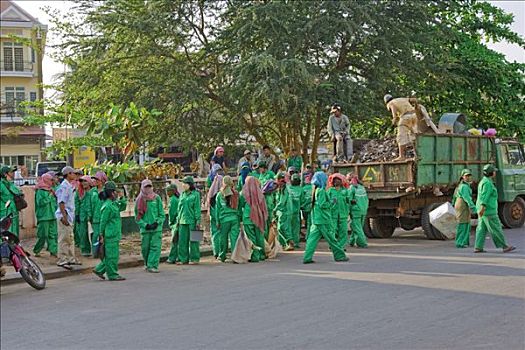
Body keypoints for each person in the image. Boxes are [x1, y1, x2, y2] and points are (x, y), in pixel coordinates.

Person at [303, 172, 349, 264]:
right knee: (332, 239)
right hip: (324, 219)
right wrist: (332, 202)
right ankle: (339, 256)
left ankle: (307, 257)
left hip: (317, 219)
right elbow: (323, 204)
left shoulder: (315, 190)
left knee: (312, 240)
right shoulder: (321, 191)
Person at [474, 164, 516, 253]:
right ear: (491, 173)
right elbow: (485, 197)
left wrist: (481, 209)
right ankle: (504, 246)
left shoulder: (483, 181)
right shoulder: (488, 183)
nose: (495, 173)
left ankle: (478, 246)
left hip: (482, 210)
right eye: (494, 171)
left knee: (481, 228)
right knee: (496, 228)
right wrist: (483, 207)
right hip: (488, 210)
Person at [92, 181, 127, 281]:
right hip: (110, 234)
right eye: (115, 191)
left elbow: (122, 207)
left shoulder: (113, 203)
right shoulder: (107, 206)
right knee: (112, 256)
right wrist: (100, 234)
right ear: (111, 193)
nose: (117, 193)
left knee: (111, 255)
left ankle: (99, 269)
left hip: (115, 233)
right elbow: (103, 222)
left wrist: (122, 198)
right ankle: (112, 274)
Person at [135, 179, 165, 272]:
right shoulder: (139, 200)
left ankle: (152, 265)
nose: (148, 189)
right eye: (146, 187)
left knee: (155, 248)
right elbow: (137, 217)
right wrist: (145, 225)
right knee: (145, 248)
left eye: (149, 186)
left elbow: (161, 214)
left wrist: (157, 222)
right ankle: (147, 263)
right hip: (145, 229)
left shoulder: (157, 198)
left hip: (156, 229)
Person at [384, 94, 425, 161]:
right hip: (414, 116)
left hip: (406, 117)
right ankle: (417, 156)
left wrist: (394, 121)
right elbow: (414, 100)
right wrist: (416, 107)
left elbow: (394, 111)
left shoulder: (390, 103)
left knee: (401, 136)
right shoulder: (401, 98)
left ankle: (402, 156)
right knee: (414, 136)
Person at [55, 166, 81, 268]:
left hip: (69, 216)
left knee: (70, 238)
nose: (75, 175)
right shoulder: (64, 186)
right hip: (64, 216)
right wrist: (64, 216)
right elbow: (61, 202)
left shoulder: (69, 186)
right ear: (69, 174)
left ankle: (70, 258)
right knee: (63, 239)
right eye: (73, 173)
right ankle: (62, 259)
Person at [239, 176, 268, 262]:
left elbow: (240, 206)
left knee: (251, 238)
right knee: (260, 237)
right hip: (258, 218)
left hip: (248, 218)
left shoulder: (243, 193)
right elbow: (264, 207)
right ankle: (262, 254)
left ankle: (255, 256)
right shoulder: (260, 194)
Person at [177, 176, 202, 264]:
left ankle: (195, 259)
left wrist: (198, 221)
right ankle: (183, 259)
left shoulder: (196, 194)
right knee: (182, 241)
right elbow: (179, 208)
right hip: (182, 221)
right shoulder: (182, 194)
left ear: (190, 185)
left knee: (194, 241)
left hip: (193, 221)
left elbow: (197, 209)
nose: (183, 185)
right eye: (183, 183)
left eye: (185, 183)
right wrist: (178, 220)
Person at [215, 176, 240, 262]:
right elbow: (239, 207)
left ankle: (222, 256)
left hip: (224, 219)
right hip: (234, 219)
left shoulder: (220, 195)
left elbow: (217, 209)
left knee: (223, 238)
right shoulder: (236, 193)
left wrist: (217, 221)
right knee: (234, 238)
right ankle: (235, 256)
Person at [33, 173, 58, 257]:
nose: (52, 182)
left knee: (52, 234)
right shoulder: (40, 191)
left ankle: (53, 251)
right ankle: (37, 250)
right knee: (43, 235)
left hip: (52, 215)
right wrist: (50, 196)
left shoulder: (51, 190)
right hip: (43, 216)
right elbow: (40, 203)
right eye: (51, 180)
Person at [452, 169, 476, 248]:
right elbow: (467, 198)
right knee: (463, 224)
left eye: (469, 175)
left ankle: (464, 241)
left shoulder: (461, 186)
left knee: (466, 223)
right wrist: (473, 208)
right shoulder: (464, 187)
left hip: (461, 205)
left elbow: (454, 197)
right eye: (466, 176)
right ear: (462, 177)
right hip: (462, 206)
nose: (468, 177)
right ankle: (460, 242)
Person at [327, 173, 350, 249]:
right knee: (332, 230)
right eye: (335, 180)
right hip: (333, 214)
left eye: (339, 180)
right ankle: (332, 245)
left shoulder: (345, 191)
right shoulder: (330, 191)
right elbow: (326, 201)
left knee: (343, 231)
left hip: (343, 214)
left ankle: (341, 246)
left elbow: (348, 201)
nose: (337, 182)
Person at [348, 174, 369, 248]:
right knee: (357, 226)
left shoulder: (352, 188)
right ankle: (352, 241)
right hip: (363, 210)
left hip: (356, 210)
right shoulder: (362, 187)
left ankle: (362, 243)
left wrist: (347, 211)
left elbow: (349, 200)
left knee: (357, 227)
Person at [274, 172, 294, 250]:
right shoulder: (282, 189)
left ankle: (290, 243)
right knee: (284, 228)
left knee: (282, 228)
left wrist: (275, 209)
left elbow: (282, 202)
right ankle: (287, 243)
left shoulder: (284, 190)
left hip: (285, 211)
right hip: (284, 211)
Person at [0, 165, 21, 237]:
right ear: (5, 174)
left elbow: (18, 193)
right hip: (4, 213)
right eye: (11, 172)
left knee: (15, 233)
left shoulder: (11, 184)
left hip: (13, 211)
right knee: (6, 233)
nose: (13, 173)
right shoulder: (1, 185)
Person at [90, 171, 108, 254]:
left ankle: (105, 252)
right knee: (96, 235)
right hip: (96, 218)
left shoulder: (107, 191)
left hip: (105, 217)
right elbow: (89, 205)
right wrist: (89, 215)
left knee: (106, 235)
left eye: (98, 179)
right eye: (95, 179)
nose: (96, 181)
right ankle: (95, 252)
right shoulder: (92, 191)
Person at [76, 175, 94, 256]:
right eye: (82, 181)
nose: (83, 183)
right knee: (83, 233)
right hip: (82, 215)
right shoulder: (79, 192)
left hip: (93, 215)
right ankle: (85, 250)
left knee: (94, 233)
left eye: (85, 181)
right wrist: (77, 215)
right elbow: (76, 204)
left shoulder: (94, 192)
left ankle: (95, 250)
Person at [207, 172, 224, 258]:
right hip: (220, 216)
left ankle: (215, 252)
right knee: (221, 234)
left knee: (214, 234)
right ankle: (220, 252)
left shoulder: (211, 193)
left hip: (212, 216)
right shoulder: (222, 194)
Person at [166, 184, 180, 264]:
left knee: (174, 241)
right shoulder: (177, 198)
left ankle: (172, 258)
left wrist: (171, 223)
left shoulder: (173, 200)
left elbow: (172, 213)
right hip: (179, 222)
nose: (167, 192)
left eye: (168, 191)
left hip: (175, 222)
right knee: (178, 241)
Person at [288, 173, 303, 248]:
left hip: (287, 212)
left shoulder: (288, 188)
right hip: (296, 212)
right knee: (295, 228)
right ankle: (295, 243)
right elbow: (303, 201)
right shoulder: (301, 189)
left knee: (288, 227)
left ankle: (289, 243)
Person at [300, 171, 314, 239]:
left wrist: (302, 205)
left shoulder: (303, 188)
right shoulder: (313, 187)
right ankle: (308, 236)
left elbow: (302, 199)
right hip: (311, 207)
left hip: (305, 208)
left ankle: (308, 236)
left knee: (308, 223)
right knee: (310, 223)